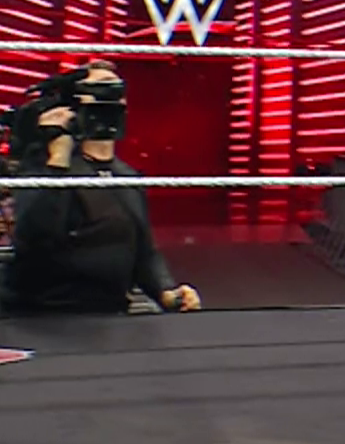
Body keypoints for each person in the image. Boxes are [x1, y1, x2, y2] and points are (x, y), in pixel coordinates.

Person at [2, 62, 200, 316]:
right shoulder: (44, 165)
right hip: (45, 316)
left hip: (108, 315)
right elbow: (35, 239)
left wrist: (166, 291)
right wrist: (58, 158)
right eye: (101, 89)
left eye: (116, 91)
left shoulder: (126, 176)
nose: (110, 98)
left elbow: (142, 249)